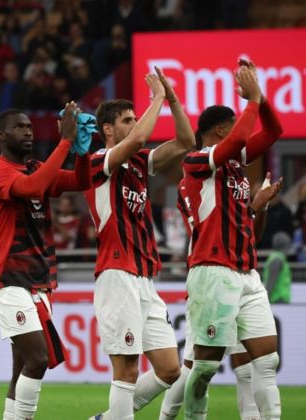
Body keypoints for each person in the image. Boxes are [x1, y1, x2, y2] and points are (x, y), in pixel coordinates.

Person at [85, 67, 196, 420]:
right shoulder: (98, 162)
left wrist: (174, 101)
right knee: (127, 372)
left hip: (145, 278)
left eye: (136, 118)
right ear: (107, 129)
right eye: (127, 119)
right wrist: (158, 99)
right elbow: (133, 142)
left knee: (169, 369)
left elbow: (186, 142)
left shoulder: (138, 163)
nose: (135, 124)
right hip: (116, 273)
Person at [181, 60, 283, 420]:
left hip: (246, 273)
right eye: (233, 128)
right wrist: (251, 100)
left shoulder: (234, 163)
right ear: (222, 130)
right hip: (213, 273)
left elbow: (274, 130)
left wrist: (262, 99)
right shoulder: (196, 161)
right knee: (204, 368)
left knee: (267, 360)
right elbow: (242, 137)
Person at [0, 103, 91, 420]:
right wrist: (65, 142)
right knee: (38, 359)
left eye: (30, 126)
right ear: (1, 135)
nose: (28, 131)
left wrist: (81, 151)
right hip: (7, 277)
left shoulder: (36, 167)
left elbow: (80, 182)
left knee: (22, 363)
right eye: (20, 127)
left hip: (38, 279)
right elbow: (32, 188)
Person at [160, 171, 284, 420]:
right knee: (194, 367)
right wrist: (254, 205)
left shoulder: (235, 180)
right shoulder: (191, 182)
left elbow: (251, 237)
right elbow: (211, 231)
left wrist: (262, 208)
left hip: (241, 276)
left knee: (249, 365)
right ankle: (166, 417)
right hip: (211, 283)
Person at [262, 232, 292, 303]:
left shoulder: (277, 258)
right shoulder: (277, 260)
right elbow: (271, 282)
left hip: (278, 299)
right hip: (277, 299)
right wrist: (265, 302)